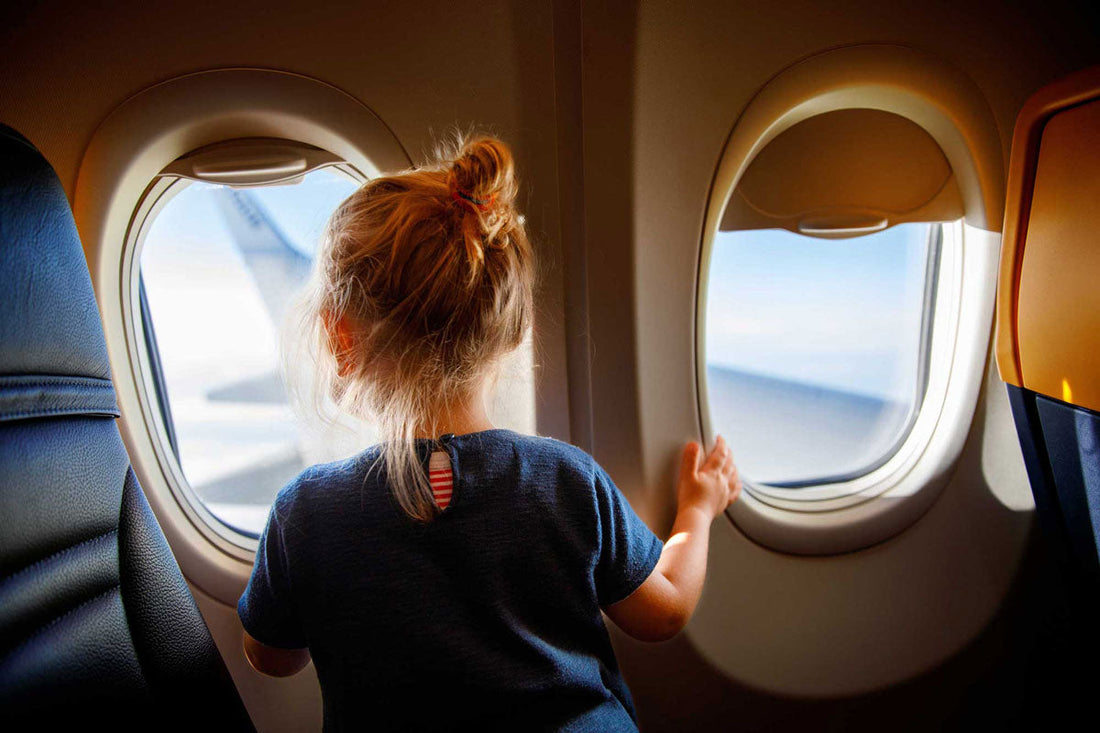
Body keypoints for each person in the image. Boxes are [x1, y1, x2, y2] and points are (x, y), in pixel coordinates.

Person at [237, 134, 742, 731]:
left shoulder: (305, 512)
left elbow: (271, 656)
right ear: (513, 332)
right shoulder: (565, 481)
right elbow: (665, 611)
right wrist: (698, 509)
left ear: (339, 338)